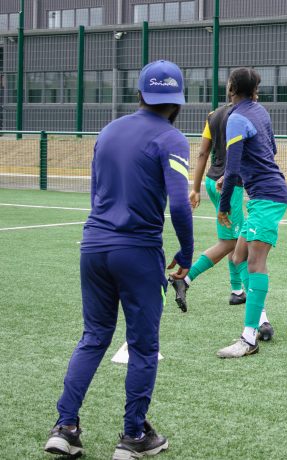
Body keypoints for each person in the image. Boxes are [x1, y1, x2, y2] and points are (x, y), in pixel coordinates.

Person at [44, 60, 193, 458]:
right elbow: (179, 203)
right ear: (178, 101)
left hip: (93, 246)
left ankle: (65, 426)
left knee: (93, 336)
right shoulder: (172, 138)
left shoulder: (108, 131)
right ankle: (132, 436)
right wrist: (187, 251)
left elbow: (97, 192)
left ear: (140, 94)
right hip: (138, 251)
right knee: (143, 346)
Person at [169, 100, 274, 340]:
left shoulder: (213, 115)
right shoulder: (243, 116)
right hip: (230, 184)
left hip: (211, 181)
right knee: (239, 244)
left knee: (232, 239)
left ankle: (237, 290)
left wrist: (194, 188)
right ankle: (259, 317)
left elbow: (203, 152)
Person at [215, 68, 287, 358]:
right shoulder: (260, 110)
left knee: (255, 264)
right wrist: (241, 177)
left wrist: (223, 205)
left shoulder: (235, 118)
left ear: (231, 87)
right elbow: (270, 150)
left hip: (267, 197)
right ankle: (261, 320)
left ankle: (248, 340)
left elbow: (232, 167)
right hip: (266, 194)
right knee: (239, 257)